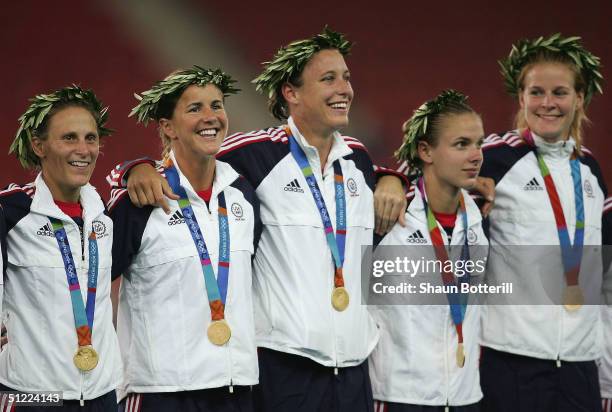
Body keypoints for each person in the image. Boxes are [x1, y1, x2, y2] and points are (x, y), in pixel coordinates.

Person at [106, 27, 407, 412]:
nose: (345, 88)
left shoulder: (360, 163)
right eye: (328, 78)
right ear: (291, 93)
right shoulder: (255, 155)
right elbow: (191, 157)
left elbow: (401, 214)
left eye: (347, 77)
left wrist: (392, 180)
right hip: (283, 368)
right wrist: (134, 168)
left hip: (353, 372)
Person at [107, 66, 261, 412]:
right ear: (167, 127)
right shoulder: (141, 200)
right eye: (195, 109)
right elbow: (92, 280)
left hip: (237, 387)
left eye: (216, 105)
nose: (211, 117)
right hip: (162, 391)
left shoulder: (243, 195)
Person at [475, 33, 610, 412]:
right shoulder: (496, 157)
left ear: (579, 98)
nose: (547, 103)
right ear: (521, 98)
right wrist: (391, 179)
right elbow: (423, 165)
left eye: (560, 92)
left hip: (581, 366)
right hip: (513, 362)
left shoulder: (591, 171)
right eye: (536, 92)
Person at [0, 86, 122, 411]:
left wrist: (138, 166)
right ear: (38, 145)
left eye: (91, 138)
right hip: (34, 397)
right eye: (69, 138)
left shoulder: (107, 215)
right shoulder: (11, 213)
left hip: (102, 395)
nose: (83, 149)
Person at [369, 90, 488, 412]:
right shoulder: (387, 216)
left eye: (479, 143)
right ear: (425, 150)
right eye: (461, 144)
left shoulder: (479, 218)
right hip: (399, 396)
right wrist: (388, 179)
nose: (476, 155)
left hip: (466, 397)